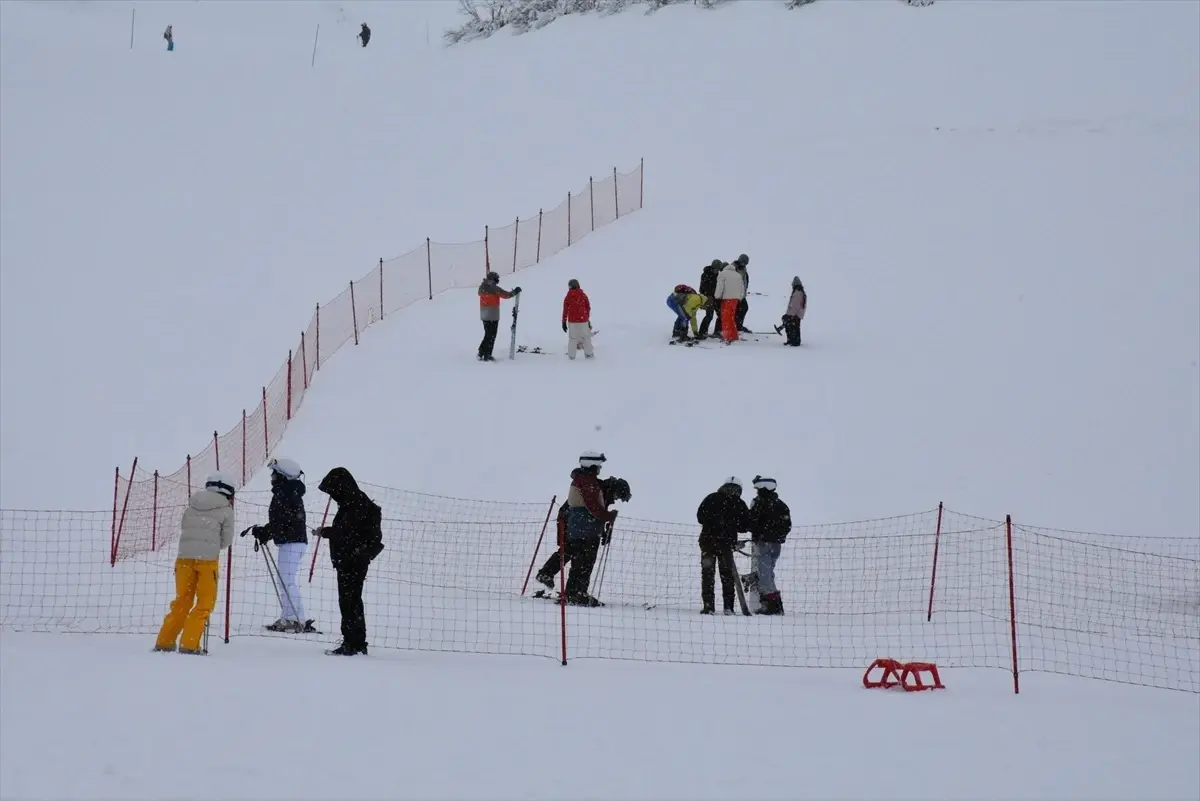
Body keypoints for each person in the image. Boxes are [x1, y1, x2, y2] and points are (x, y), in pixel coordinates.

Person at [153, 472, 236, 654]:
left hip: (183, 559)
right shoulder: (226, 510)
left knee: (182, 600)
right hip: (207, 562)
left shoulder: (192, 505)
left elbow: (184, 527)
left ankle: (164, 641)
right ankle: (189, 644)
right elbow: (226, 540)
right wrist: (212, 546)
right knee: (205, 603)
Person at [313, 467, 384, 655]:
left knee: (349, 601)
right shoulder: (352, 502)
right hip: (351, 558)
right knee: (351, 600)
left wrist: (326, 532)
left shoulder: (355, 504)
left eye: (333, 491)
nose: (332, 496)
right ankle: (355, 641)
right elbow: (348, 532)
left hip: (353, 559)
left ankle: (353, 643)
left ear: (341, 487)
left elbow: (347, 533)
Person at [247, 457, 316, 633]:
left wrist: (266, 532)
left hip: (292, 542)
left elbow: (283, 520)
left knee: (287, 581)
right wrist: (267, 531)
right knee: (285, 580)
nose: (272, 478)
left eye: (274, 474)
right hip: (292, 541)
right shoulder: (287, 492)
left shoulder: (285, 493)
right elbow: (283, 520)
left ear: (283, 476)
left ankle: (295, 618)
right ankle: (289, 617)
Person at [536, 476, 631, 590]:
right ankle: (557, 580)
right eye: (617, 496)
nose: (615, 499)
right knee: (571, 550)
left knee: (570, 550)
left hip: (574, 521)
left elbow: (598, 515)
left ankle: (547, 574)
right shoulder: (599, 489)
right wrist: (607, 520)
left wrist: (605, 531)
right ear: (614, 489)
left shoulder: (603, 490)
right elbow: (595, 512)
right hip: (571, 520)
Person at [554, 452, 619, 606]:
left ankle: (572, 593)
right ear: (591, 465)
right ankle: (578, 594)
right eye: (598, 465)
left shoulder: (583, 479)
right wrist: (608, 516)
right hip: (586, 529)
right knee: (585, 563)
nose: (600, 469)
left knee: (579, 563)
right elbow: (593, 507)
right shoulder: (588, 482)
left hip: (581, 528)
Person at [696, 477, 750, 614]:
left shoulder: (711, 498)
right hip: (726, 544)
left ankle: (708, 606)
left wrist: (713, 522)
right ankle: (728, 607)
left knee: (707, 574)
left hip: (707, 542)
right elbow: (745, 526)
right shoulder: (739, 503)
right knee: (727, 575)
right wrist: (731, 524)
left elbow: (700, 517)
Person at [745, 475, 792, 615]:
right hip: (776, 544)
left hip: (763, 543)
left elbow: (752, 522)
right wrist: (778, 537)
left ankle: (770, 605)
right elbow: (787, 525)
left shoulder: (759, 503)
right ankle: (776, 603)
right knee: (769, 572)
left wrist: (759, 534)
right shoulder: (781, 505)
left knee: (764, 574)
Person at [477, 271, 520, 361]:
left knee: (488, 334)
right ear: (493, 279)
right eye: (496, 279)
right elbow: (506, 295)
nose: (497, 281)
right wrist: (515, 292)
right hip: (492, 313)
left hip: (484, 312)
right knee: (491, 335)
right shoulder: (494, 288)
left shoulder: (482, 287)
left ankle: (482, 352)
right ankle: (487, 354)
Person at [713, 261, 747, 343]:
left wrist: (717, 296)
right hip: (735, 300)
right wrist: (740, 297)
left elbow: (720, 286)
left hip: (726, 299)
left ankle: (727, 337)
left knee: (725, 318)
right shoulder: (738, 275)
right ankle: (734, 336)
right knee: (731, 317)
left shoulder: (722, 274)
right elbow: (742, 288)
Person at [561, 278, 594, 359]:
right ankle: (589, 354)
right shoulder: (583, 295)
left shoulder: (568, 297)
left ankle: (571, 356)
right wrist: (587, 318)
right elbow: (588, 307)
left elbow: (565, 309)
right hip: (583, 321)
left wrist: (564, 321)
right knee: (586, 338)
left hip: (572, 322)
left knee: (572, 339)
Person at [697, 259, 725, 338]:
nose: (717, 271)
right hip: (708, 298)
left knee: (720, 314)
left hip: (716, 298)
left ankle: (717, 331)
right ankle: (702, 332)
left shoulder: (718, 275)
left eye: (718, 269)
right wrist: (707, 297)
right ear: (713, 267)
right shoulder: (705, 274)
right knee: (709, 316)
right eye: (716, 269)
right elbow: (703, 288)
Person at [781, 277, 807, 346]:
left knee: (791, 326)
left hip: (795, 314)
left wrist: (790, 315)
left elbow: (795, 305)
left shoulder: (797, 293)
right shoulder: (800, 292)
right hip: (797, 314)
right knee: (795, 327)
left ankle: (793, 341)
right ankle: (794, 340)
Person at [732, 254, 752, 334]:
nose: (744, 264)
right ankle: (735, 326)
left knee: (744, 308)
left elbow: (745, 282)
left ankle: (738, 325)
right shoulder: (733, 269)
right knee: (737, 310)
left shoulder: (744, 270)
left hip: (741, 295)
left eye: (745, 263)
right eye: (743, 262)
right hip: (734, 294)